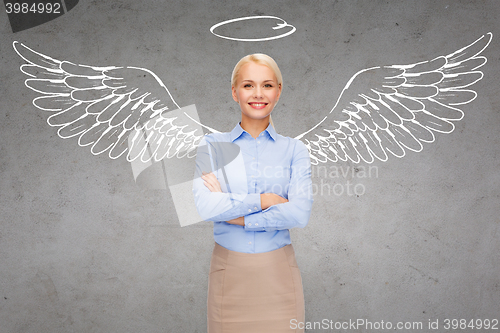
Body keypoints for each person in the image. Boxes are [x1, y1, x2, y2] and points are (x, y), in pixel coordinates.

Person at [192, 53, 313, 332]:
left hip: (279, 275)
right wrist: (265, 201)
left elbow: (299, 213)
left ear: (278, 91)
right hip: (228, 276)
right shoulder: (211, 145)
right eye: (248, 85)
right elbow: (202, 207)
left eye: (267, 85)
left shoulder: (295, 149)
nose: (258, 94)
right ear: (234, 92)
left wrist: (236, 215)